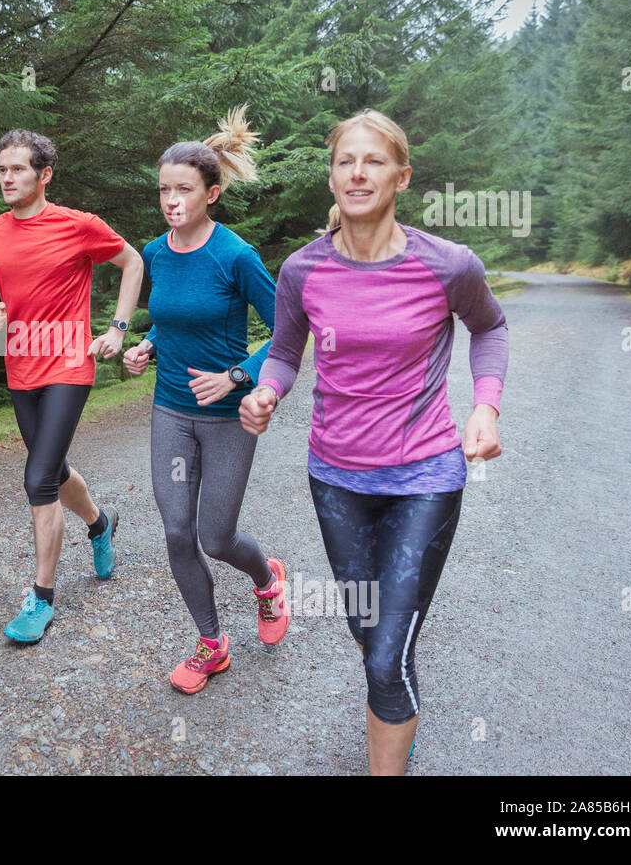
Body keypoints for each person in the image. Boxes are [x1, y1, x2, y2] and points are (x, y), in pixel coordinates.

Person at [239, 109, 508, 774]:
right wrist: (268, 390)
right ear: (331, 177)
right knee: (372, 635)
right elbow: (284, 351)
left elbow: (491, 328)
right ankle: (396, 708)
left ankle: (389, 733)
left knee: (386, 657)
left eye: (374, 161)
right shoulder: (303, 271)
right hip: (336, 480)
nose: (357, 173)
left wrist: (486, 408)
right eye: (344, 162)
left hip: (426, 476)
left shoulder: (447, 265)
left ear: (402, 176)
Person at [123, 106, 290, 695]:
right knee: (175, 531)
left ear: (211, 193)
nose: (171, 200)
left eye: (184, 190)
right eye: (164, 189)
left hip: (226, 417)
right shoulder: (156, 252)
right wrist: (147, 346)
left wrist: (237, 377)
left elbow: (289, 334)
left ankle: (268, 580)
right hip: (171, 409)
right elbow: (169, 321)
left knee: (217, 537)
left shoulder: (236, 257)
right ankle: (211, 643)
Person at [0, 129, 144, 643]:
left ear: (44, 175)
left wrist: (117, 328)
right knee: (55, 466)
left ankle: (40, 598)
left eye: (17, 169)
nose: (6, 177)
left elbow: (132, 261)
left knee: (38, 478)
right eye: (2, 169)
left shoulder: (78, 225)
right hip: (20, 365)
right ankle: (99, 523)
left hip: (69, 362)